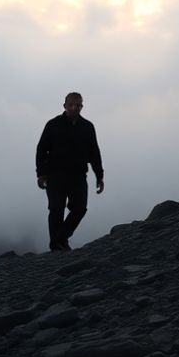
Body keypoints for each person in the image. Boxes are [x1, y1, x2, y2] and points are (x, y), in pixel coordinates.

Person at [35, 92, 105, 251]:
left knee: (80, 208)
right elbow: (41, 149)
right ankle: (57, 247)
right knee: (56, 209)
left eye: (78, 105)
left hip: (78, 175)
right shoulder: (53, 125)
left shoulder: (87, 127)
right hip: (55, 175)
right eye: (71, 104)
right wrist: (41, 173)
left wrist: (99, 175)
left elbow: (94, 151)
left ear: (82, 106)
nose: (75, 108)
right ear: (65, 106)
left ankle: (60, 239)